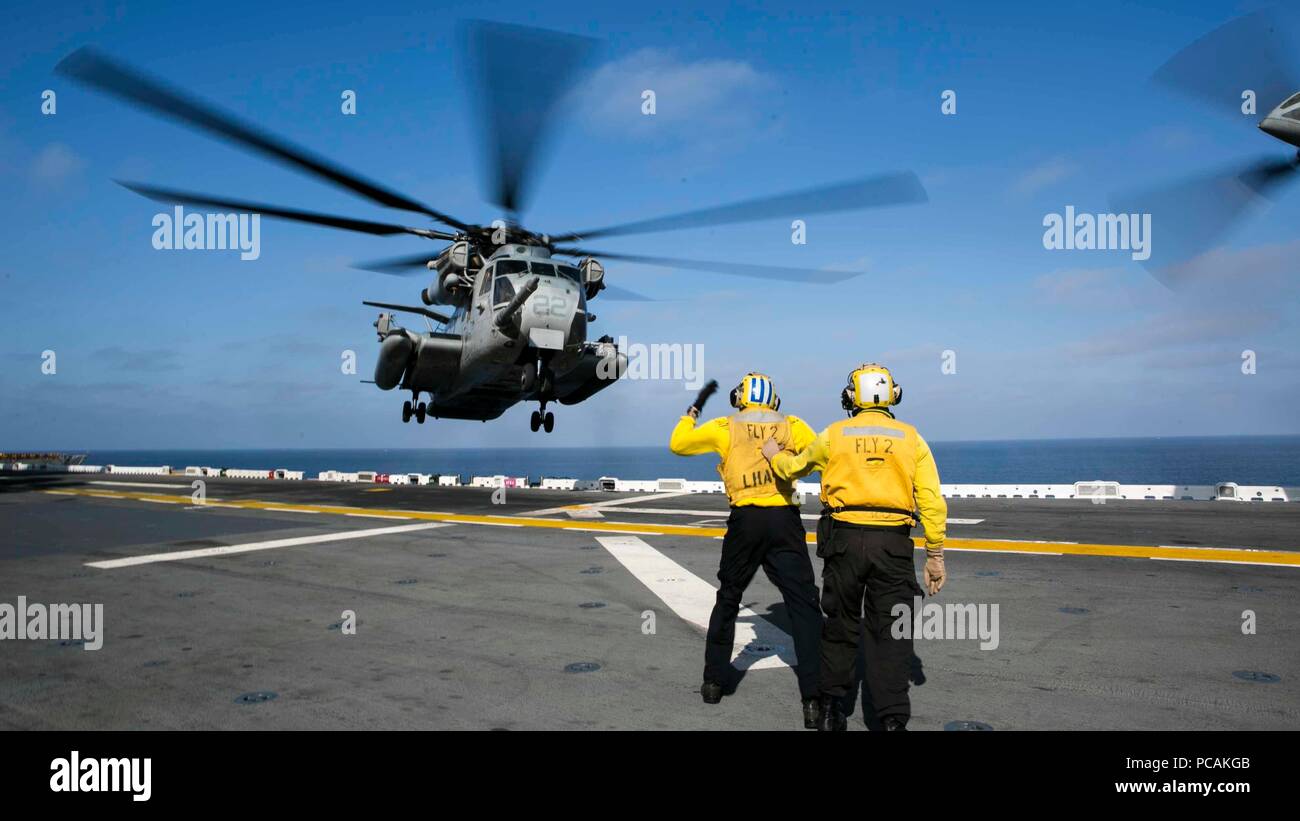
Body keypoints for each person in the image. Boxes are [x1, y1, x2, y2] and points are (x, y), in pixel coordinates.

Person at [761, 363, 947, 731]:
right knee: (892, 633)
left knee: (840, 626)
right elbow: (931, 501)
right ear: (894, 394)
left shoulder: (835, 434)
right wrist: (936, 555)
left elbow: (794, 467)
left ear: (852, 397)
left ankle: (832, 710)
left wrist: (773, 454)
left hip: (843, 541)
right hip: (893, 546)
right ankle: (892, 720)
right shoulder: (912, 438)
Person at [669, 372, 825, 728]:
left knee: (728, 598)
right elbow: (818, 458)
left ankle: (713, 683)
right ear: (774, 400)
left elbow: (678, 444)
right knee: (804, 605)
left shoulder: (726, 425)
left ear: (740, 397)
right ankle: (813, 700)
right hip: (785, 520)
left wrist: (693, 408)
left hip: (746, 521)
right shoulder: (792, 424)